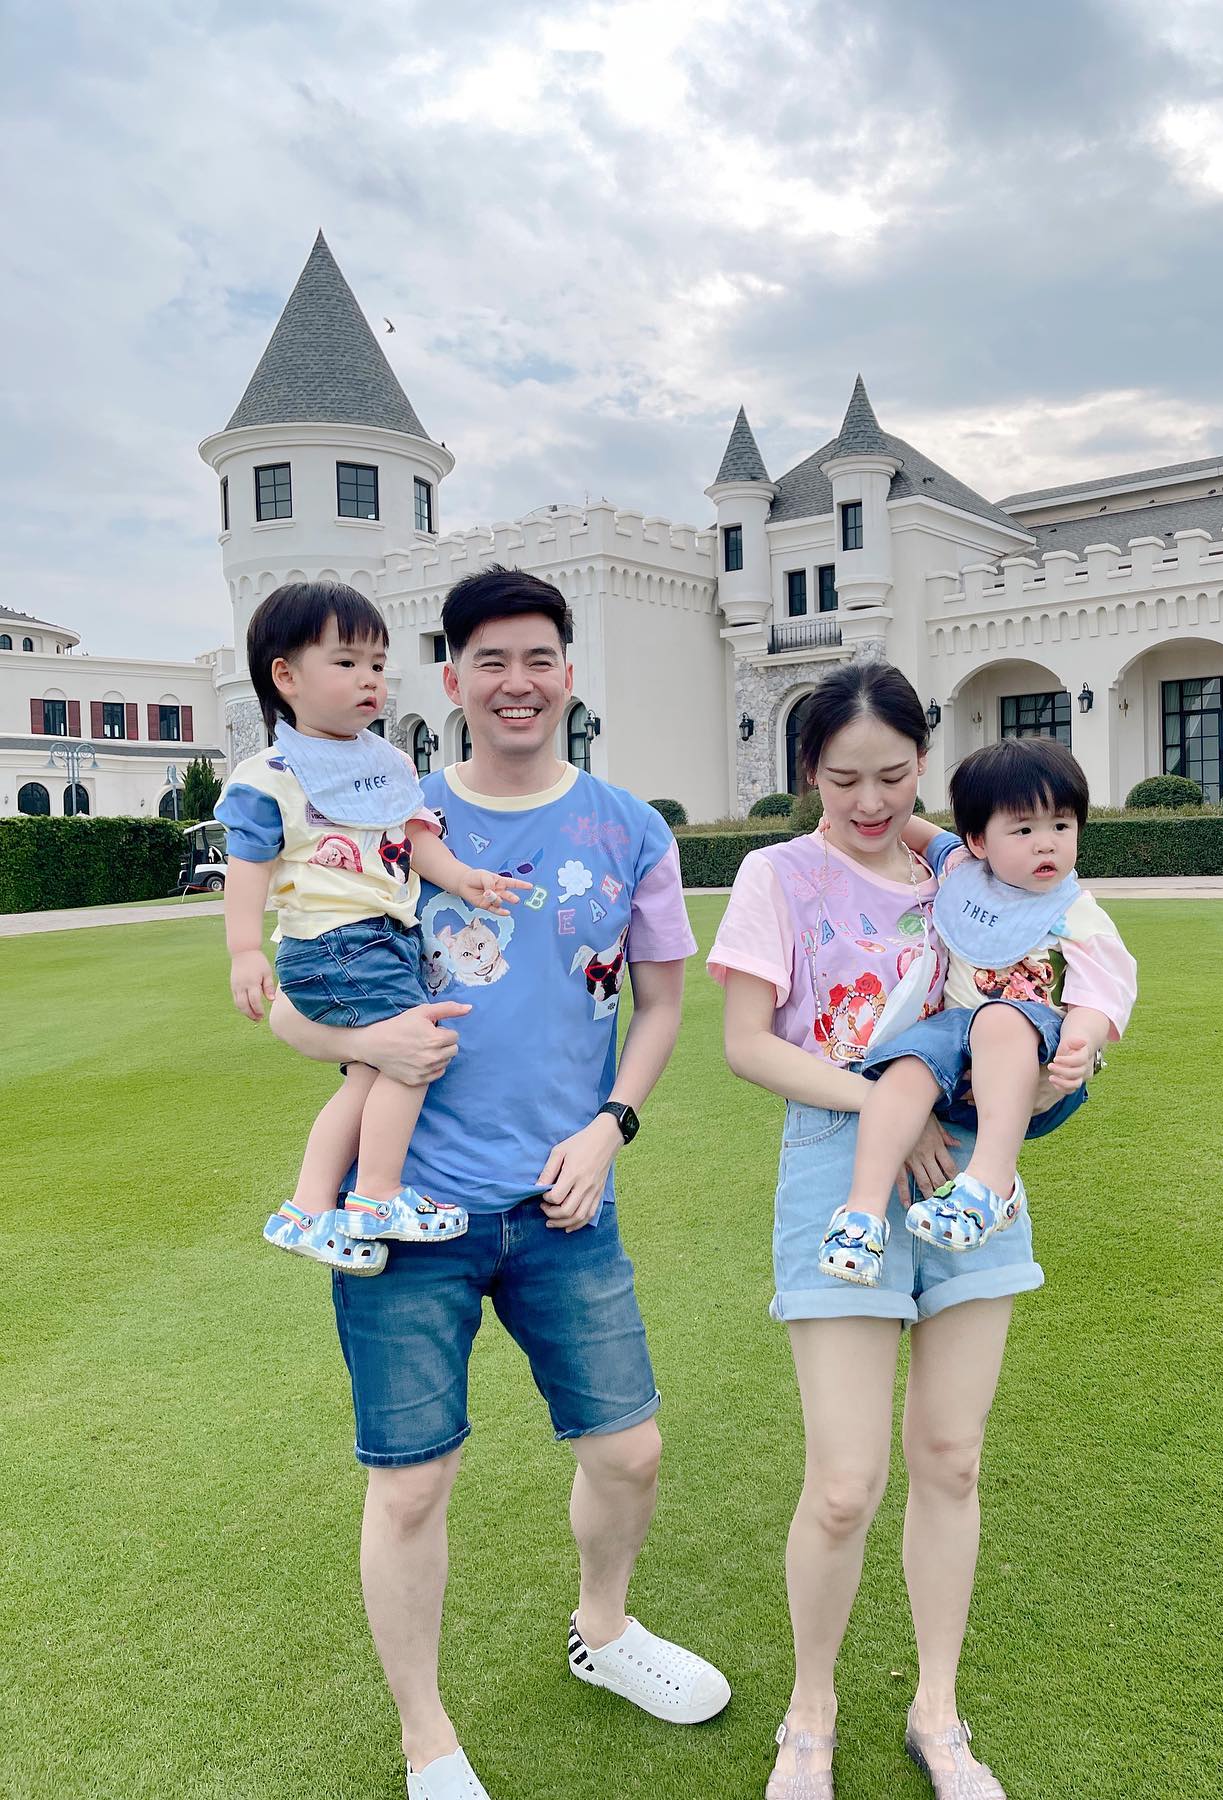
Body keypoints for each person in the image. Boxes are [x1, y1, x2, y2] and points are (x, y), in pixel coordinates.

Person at [268, 566, 730, 1800]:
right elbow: (296, 1003)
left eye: (538, 659)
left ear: (568, 674)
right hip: (407, 1213)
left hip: (564, 1202)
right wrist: (367, 1042)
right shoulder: (381, 806)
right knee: (411, 1483)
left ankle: (605, 1629)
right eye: (490, 661)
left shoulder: (629, 829)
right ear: (453, 678)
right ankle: (426, 1739)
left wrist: (612, 1127)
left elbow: (660, 1004)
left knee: (629, 1454)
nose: (516, 683)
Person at [709, 662, 1072, 1800]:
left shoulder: (969, 866)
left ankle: (937, 1711)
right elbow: (748, 1045)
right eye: (841, 778)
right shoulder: (777, 875)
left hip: (970, 1170)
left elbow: (1054, 982)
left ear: (925, 759)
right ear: (806, 772)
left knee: (952, 1458)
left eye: (894, 774)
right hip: (842, 1168)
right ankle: (809, 1712)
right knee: (844, 1482)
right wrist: (886, 1106)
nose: (869, 801)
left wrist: (1067, 1059)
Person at [217, 580, 525, 1274]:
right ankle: (378, 1195)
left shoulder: (385, 762)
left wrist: (462, 878)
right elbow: (247, 867)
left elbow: (413, 839)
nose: (370, 680)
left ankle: (306, 1209)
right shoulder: (270, 776)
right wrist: (243, 950)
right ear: (286, 677)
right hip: (335, 943)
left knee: (366, 1077)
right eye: (347, 662)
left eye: (378, 665)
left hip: (384, 939)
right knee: (417, 1054)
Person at [821, 737, 1136, 1286]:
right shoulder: (963, 871)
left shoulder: (1075, 912)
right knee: (906, 1065)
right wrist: (842, 816)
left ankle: (992, 1185)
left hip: (1035, 1055)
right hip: (957, 1047)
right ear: (978, 841)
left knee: (999, 1016)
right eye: (1023, 830)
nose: (1046, 844)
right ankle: (862, 1216)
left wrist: (1081, 1044)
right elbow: (918, 831)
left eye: (1061, 826)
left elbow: (1100, 990)